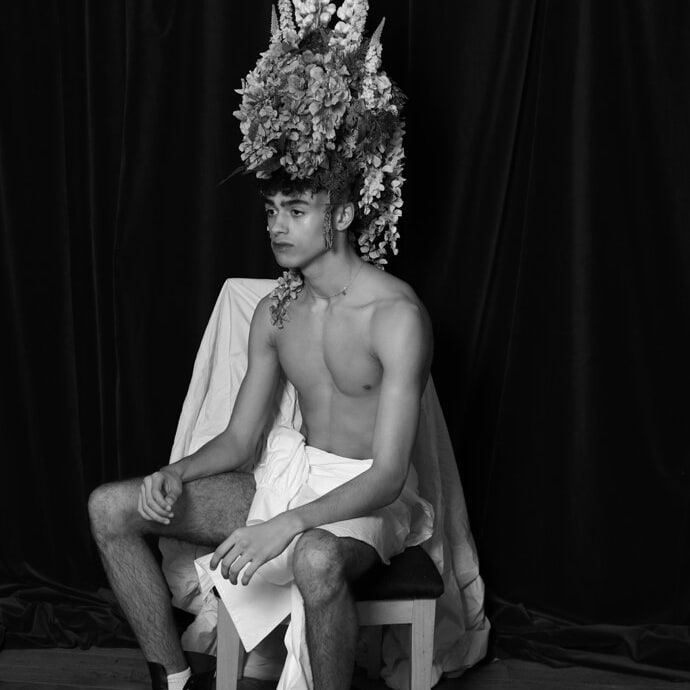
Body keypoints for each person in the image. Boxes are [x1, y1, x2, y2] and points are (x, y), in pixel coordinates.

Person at [88, 2, 433, 688]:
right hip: (285, 478)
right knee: (110, 507)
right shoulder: (277, 312)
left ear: (342, 212)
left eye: (296, 210)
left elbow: (390, 475)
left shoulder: (396, 316)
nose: (277, 225)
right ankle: (174, 680)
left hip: (365, 500)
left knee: (313, 557)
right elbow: (243, 439)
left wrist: (288, 526)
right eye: (272, 210)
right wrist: (177, 472)